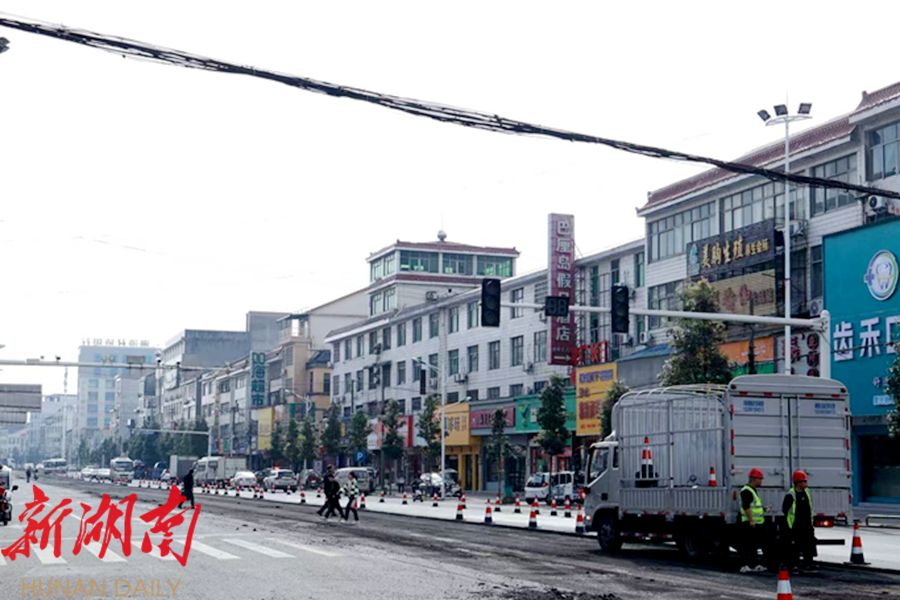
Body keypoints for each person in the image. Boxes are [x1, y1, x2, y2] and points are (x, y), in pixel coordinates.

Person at [782, 470, 816, 572]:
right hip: (795, 525)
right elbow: (785, 509)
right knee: (795, 546)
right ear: (798, 482)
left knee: (808, 545)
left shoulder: (807, 492)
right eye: (804, 481)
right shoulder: (791, 495)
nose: (806, 483)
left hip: (807, 525)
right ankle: (794, 565)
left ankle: (808, 564)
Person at [739, 468, 770, 573]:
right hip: (750, 522)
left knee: (753, 545)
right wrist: (751, 520)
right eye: (760, 479)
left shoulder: (752, 490)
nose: (761, 481)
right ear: (753, 479)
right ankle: (744, 565)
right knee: (748, 544)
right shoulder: (747, 491)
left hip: (757, 522)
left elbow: (753, 507)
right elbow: (746, 506)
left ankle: (754, 564)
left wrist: (763, 509)